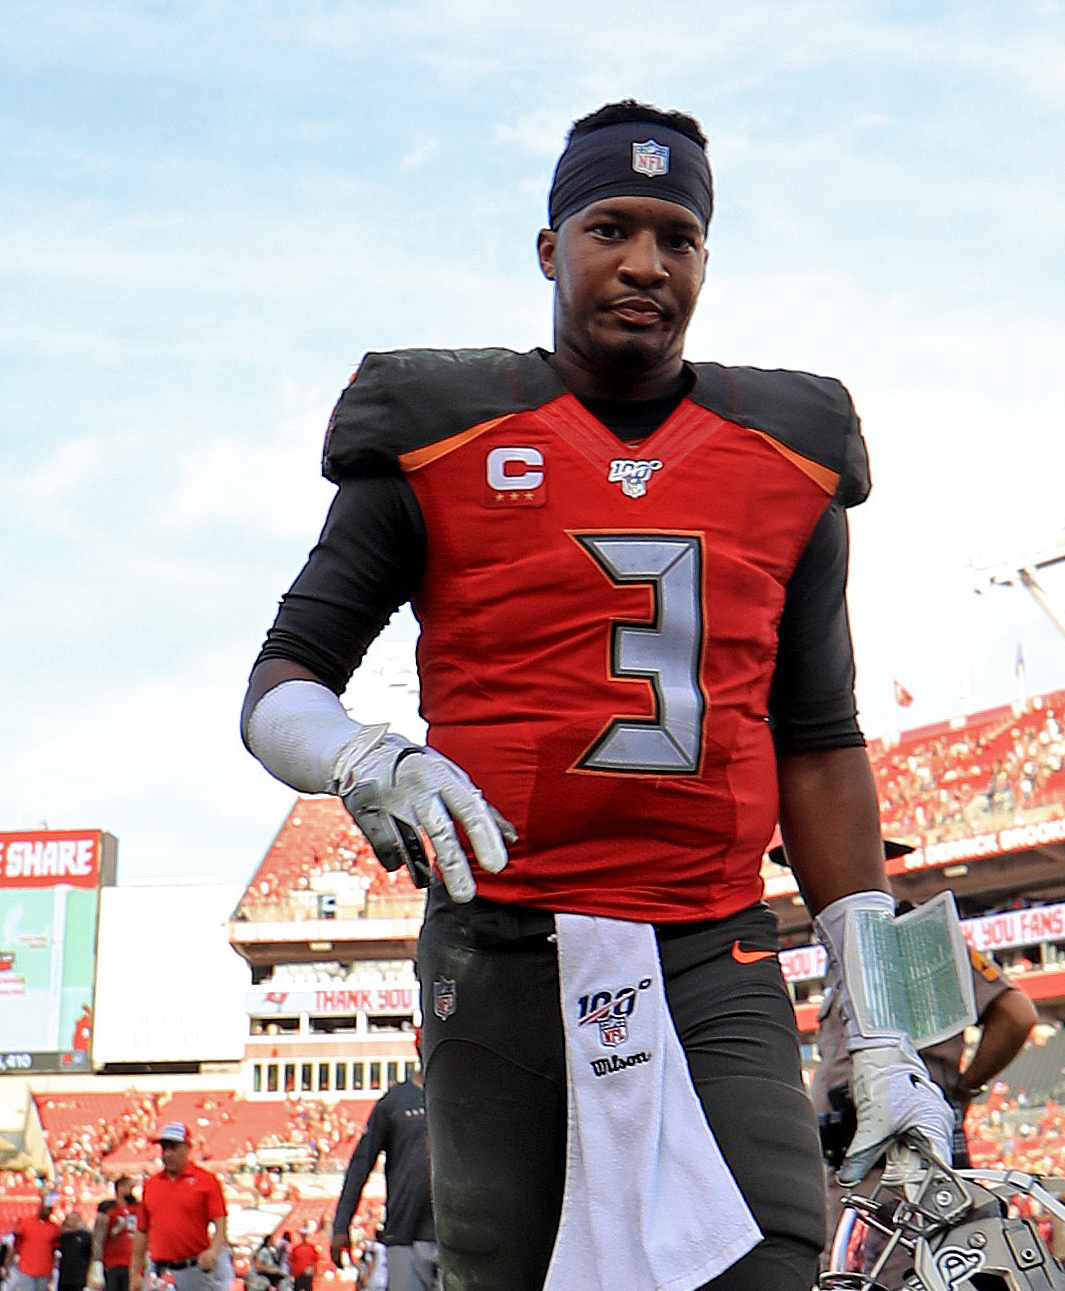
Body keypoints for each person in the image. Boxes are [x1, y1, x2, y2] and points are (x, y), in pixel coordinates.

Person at [240, 98, 951, 1291]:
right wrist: (366, 757)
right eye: (610, 228)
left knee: (770, 1258)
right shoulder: (439, 432)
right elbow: (281, 680)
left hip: (707, 937)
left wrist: (878, 1023)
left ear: (705, 264)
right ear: (549, 247)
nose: (643, 262)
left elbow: (821, 744)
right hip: (504, 938)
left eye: (677, 238)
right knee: (507, 1275)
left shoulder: (788, 455)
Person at [813, 924, 1037, 1173]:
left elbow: (1016, 1015)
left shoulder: (907, 931)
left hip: (898, 1163)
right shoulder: (848, 938)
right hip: (859, 1159)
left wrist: (965, 1089)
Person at [331, 1058, 433, 1291]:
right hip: (405, 1235)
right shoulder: (393, 1103)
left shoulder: (462, 1099)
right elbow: (360, 1164)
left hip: (456, 1235)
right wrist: (341, 1224)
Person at [139, 1123, 229, 1291]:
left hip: (193, 1269)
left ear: (187, 1148)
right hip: (158, 1271)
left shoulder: (205, 1181)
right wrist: (135, 1272)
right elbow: (141, 1230)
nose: (167, 1154)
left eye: (173, 1148)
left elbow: (220, 1222)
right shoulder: (151, 1184)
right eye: (165, 1149)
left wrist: (213, 1251)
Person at [93, 1178, 145, 1291]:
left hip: (134, 1262)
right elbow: (98, 1236)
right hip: (113, 1262)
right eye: (128, 1187)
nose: (131, 1190)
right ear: (120, 1188)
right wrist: (97, 1262)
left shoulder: (139, 1208)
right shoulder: (108, 1209)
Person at [9, 1199, 58, 1291]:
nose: (45, 1211)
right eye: (43, 1209)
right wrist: (8, 1263)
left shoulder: (54, 1228)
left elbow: (55, 1250)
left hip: (45, 1270)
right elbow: (16, 1244)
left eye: (48, 1209)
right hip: (26, 1269)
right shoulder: (26, 1223)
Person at [53, 1215, 91, 1291]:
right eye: (70, 1220)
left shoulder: (85, 1236)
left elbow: (90, 1253)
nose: (72, 1222)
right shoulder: (62, 1237)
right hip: (64, 1277)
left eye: (74, 1220)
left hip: (79, 1277)